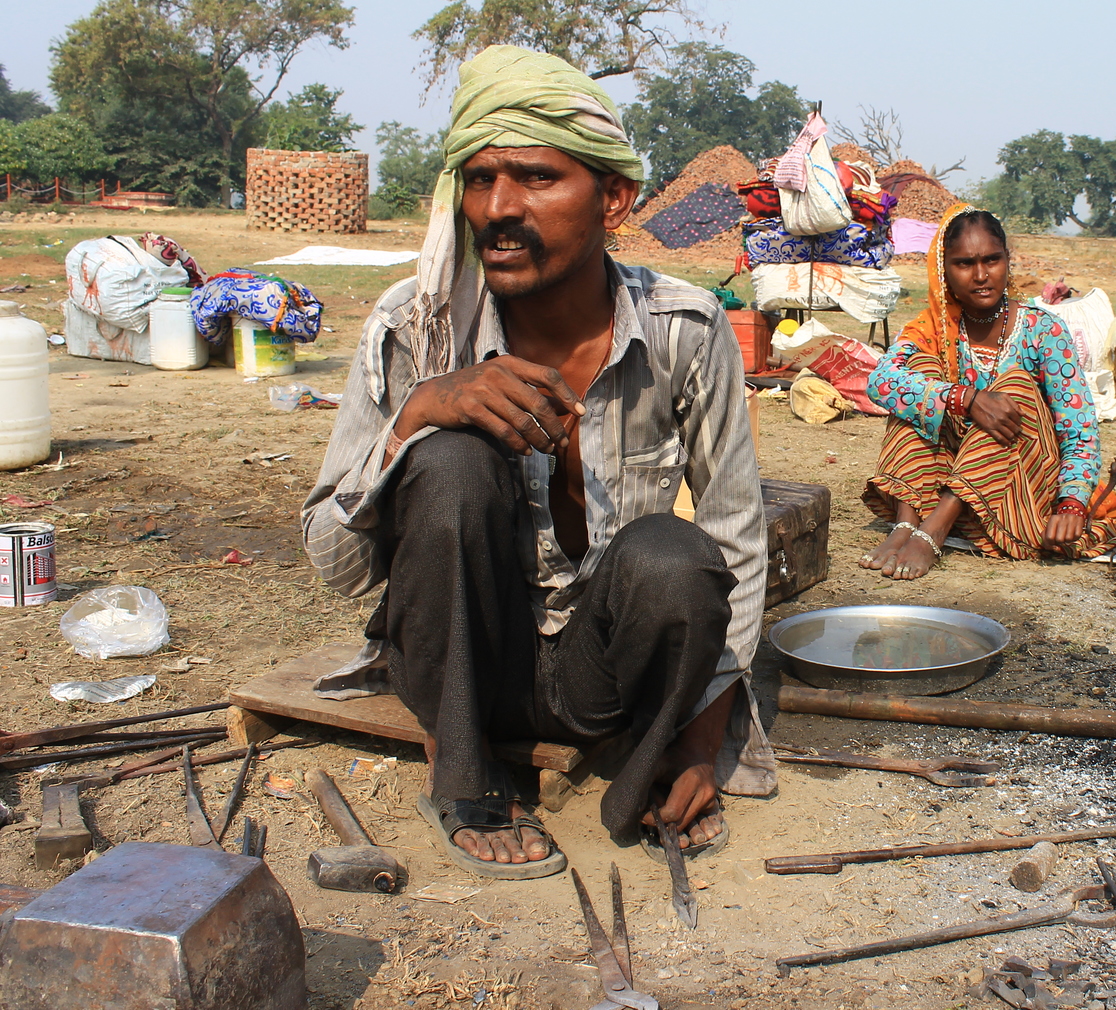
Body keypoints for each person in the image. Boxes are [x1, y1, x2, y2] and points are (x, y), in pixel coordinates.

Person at [301, 47, 772, 879]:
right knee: (449, 461)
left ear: (615, 199)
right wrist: (419, 414)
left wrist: (702, 742)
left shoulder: (686, 331)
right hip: (458, 666)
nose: (499, 208)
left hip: (601, 680)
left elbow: (735, 534)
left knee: (676, 554)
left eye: (535, 178)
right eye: (478, 180)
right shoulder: (416, 326)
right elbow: (336, 566)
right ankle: (465, 770)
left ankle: (652, 761)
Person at [859, 203, 1116, 579]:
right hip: (948, 476)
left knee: (1015, 385)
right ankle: (906, 523)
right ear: (944, 270)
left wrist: (1071, 501)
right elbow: (881, 381)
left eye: (992, 259)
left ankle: (936, 528)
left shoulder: (1043, 330)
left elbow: (1079, 430)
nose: (981, 275)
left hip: (1018, 486)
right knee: (919, 371)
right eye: (964, 264)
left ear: (1008, 260)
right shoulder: (935, 328)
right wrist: (967, 399)